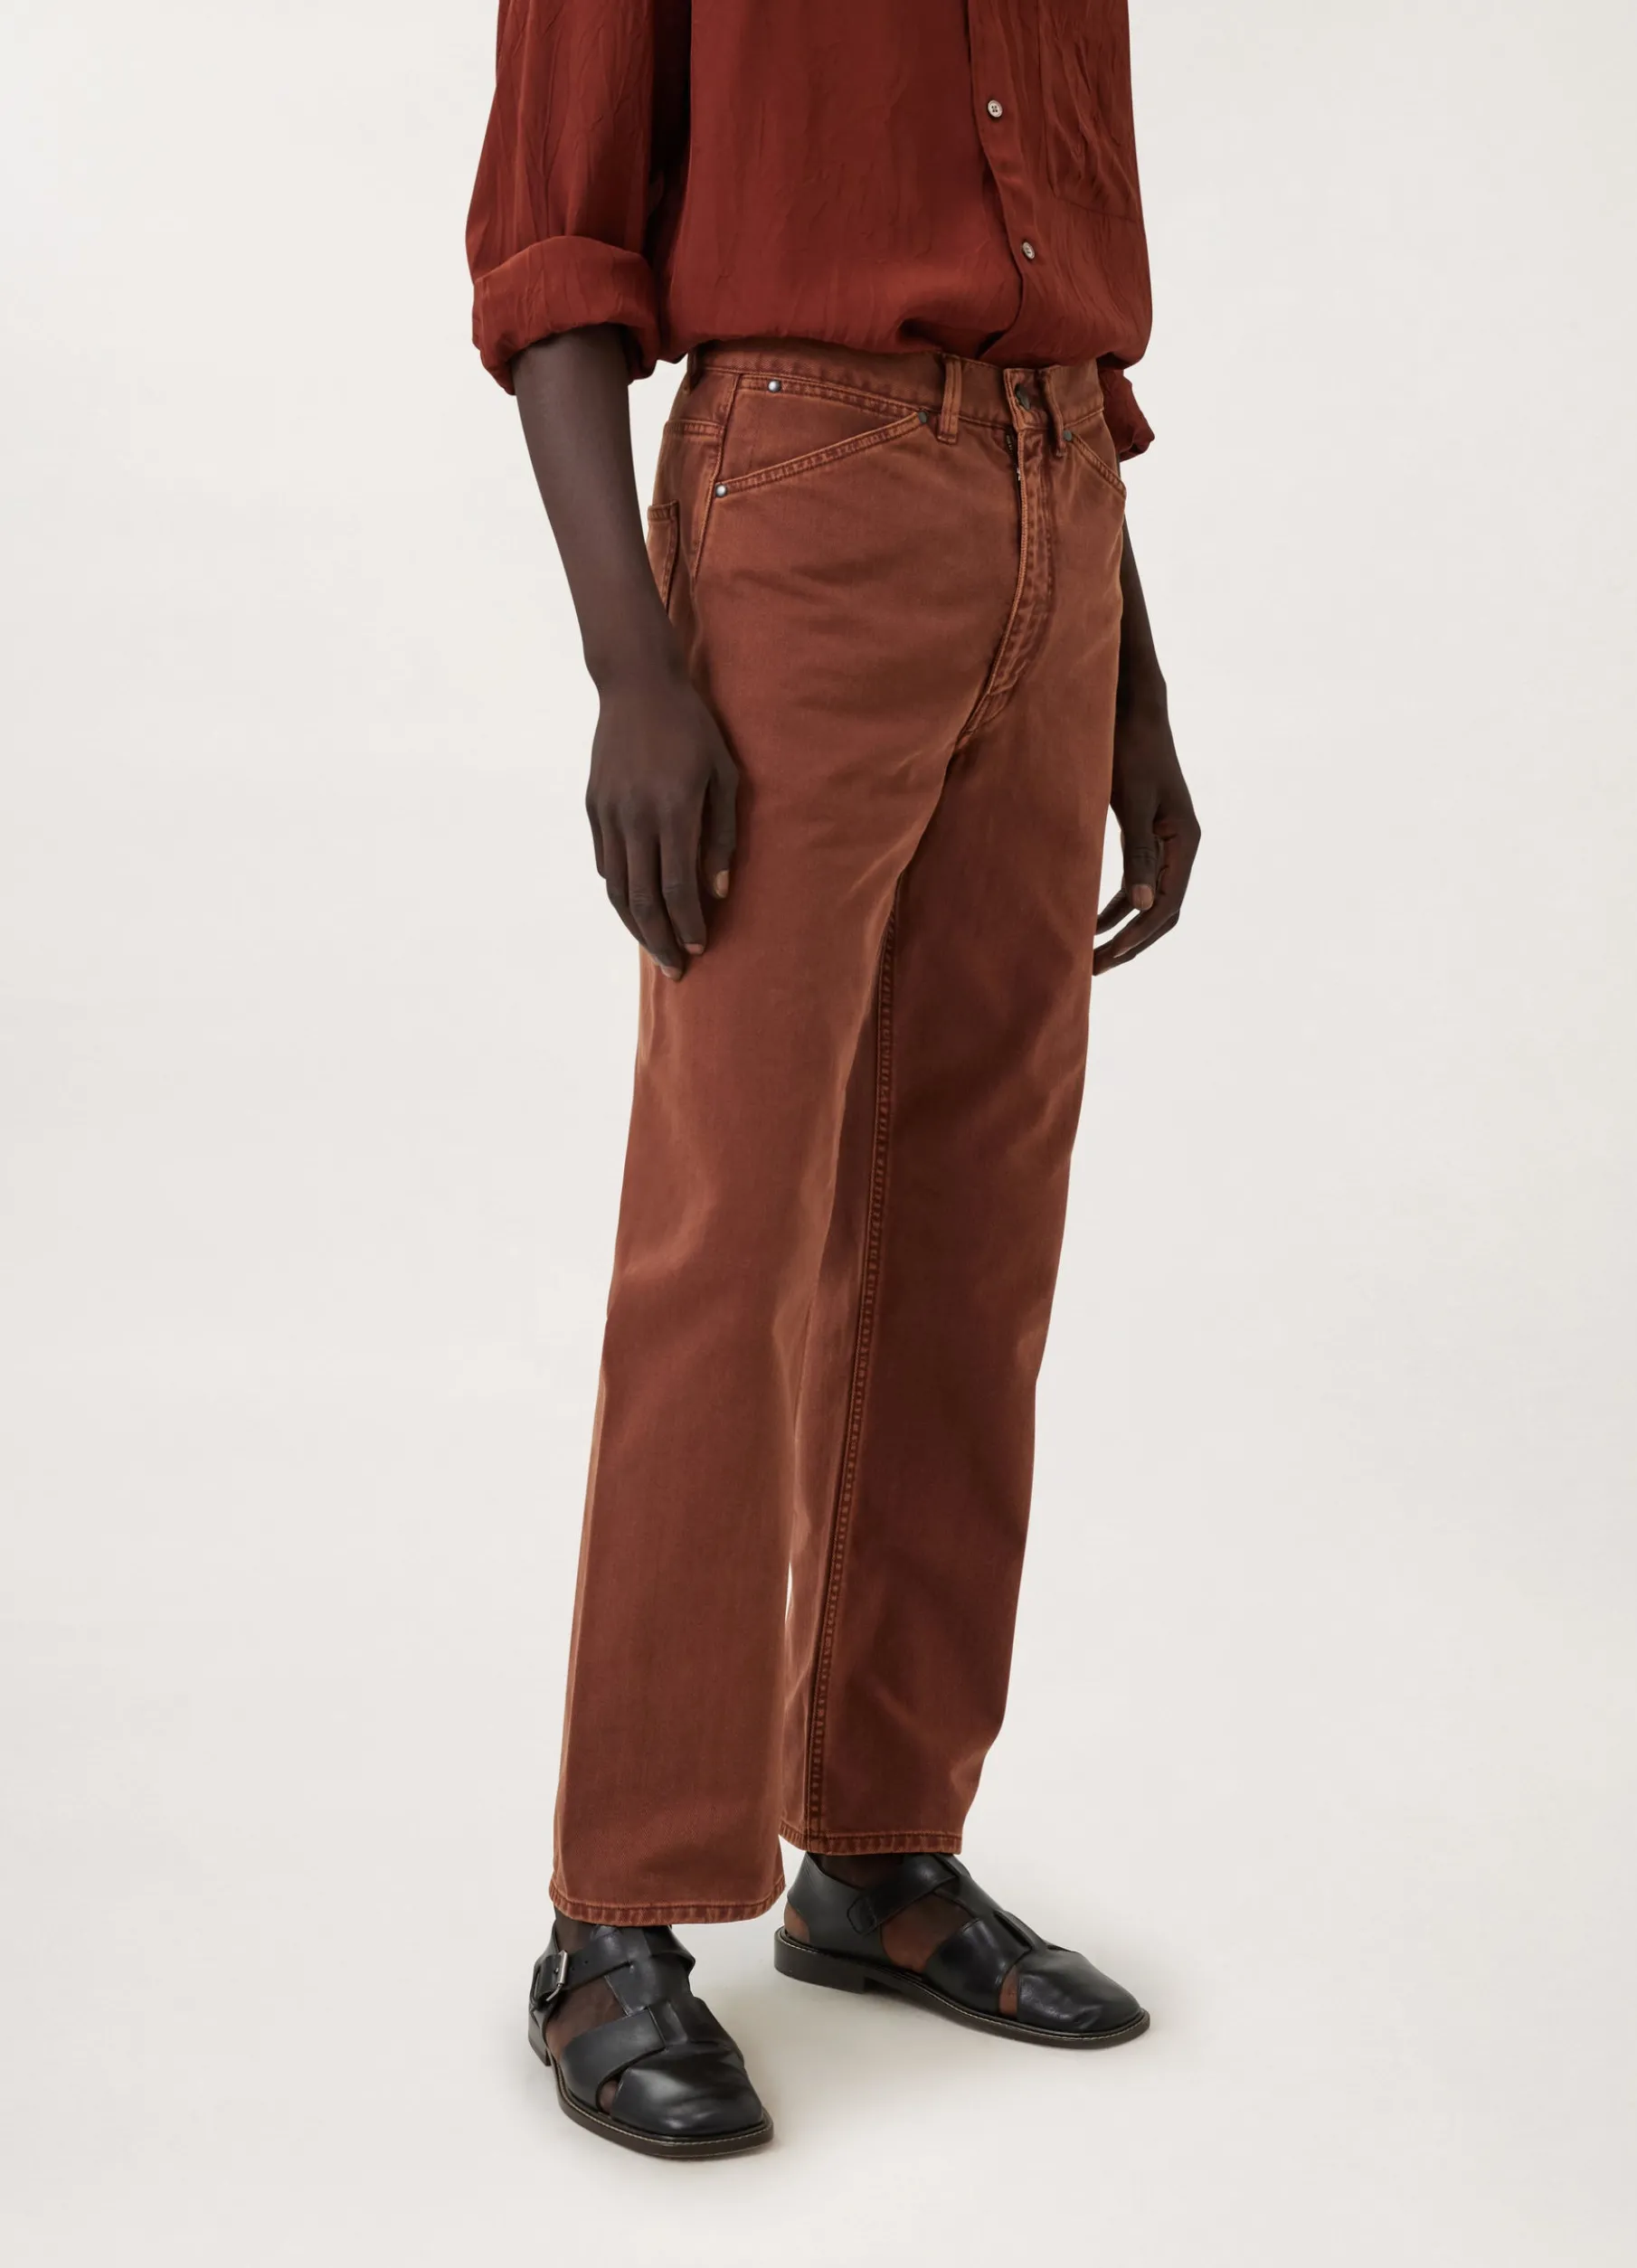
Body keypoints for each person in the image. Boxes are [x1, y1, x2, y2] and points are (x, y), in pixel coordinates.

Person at [468, 0, 1200, 2159]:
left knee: (970, 1235)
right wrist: (629, 665)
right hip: (799, 502)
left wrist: (1133, 688)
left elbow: (1058, 307)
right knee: (734, 1233)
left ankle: (879, 1855)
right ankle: (611, 1918)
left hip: (1056, 519)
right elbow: (552, 250)